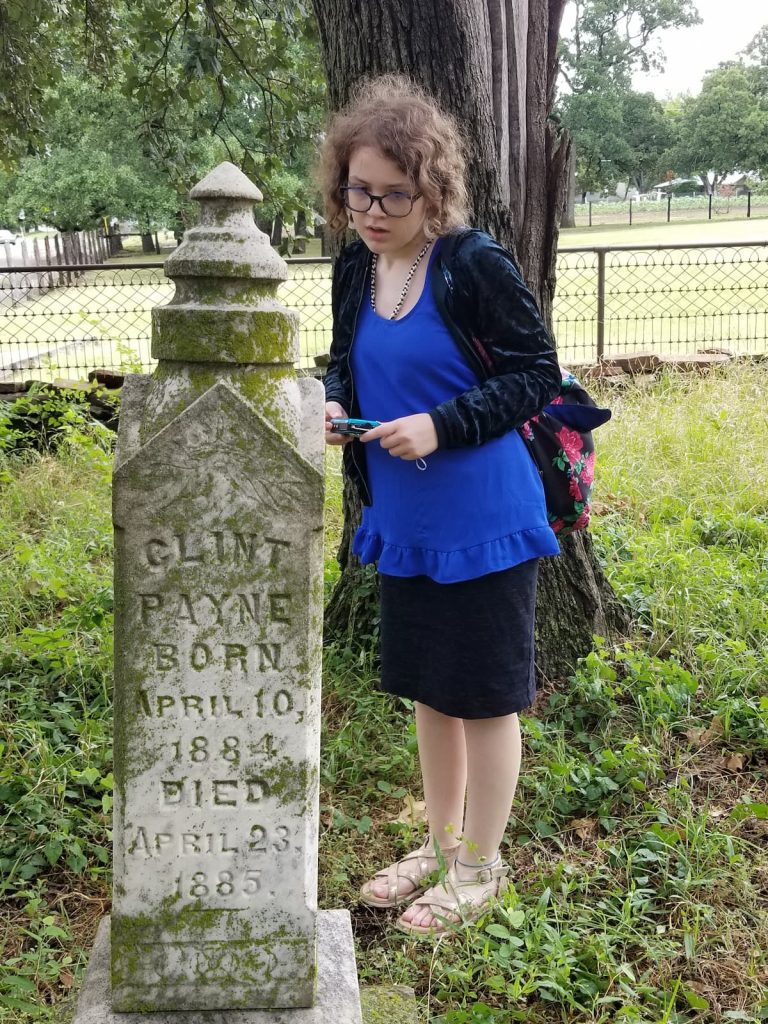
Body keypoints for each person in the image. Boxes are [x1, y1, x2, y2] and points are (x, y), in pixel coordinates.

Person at [319, 75, 562, 936]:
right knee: (431, 691)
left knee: (487, 697)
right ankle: (441, 840)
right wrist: (331, 400)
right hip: (406, 521)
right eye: (359, 191)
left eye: (394, 193)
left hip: (484, 517)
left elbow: (536, 373)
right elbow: (344, 357)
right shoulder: (356, 265)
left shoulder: (471, 263)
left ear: (434, 188)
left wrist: (441, 424)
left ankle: (480, 867)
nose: (373, 210)